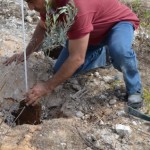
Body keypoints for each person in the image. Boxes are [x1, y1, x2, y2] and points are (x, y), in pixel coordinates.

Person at [4, 0, 142, 108]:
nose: (30, 8)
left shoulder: (76, 7)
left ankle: (134, 89)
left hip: (117, 24)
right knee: (60, 71)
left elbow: (76, 58)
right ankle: (104, 55)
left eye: (32, 1)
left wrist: (47, 86)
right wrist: (26, 53)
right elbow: (42, 27)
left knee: (119, 50)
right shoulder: (50, 5)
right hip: (90, 34)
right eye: (27, 2)